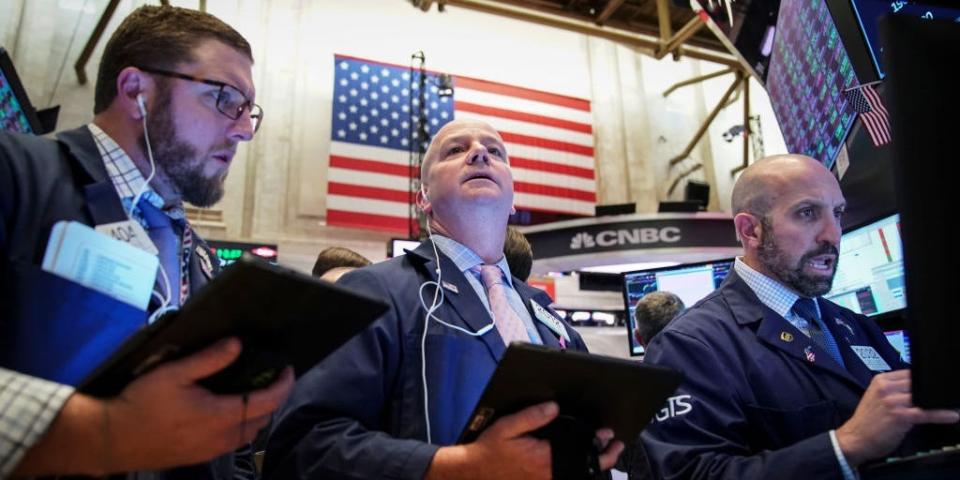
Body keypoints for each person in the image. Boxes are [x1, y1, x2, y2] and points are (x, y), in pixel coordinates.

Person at [0, 6, 293, 477]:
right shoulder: (16, 171)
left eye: (247, 111)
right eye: (225, 99)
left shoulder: (200, 258)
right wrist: (101, 433)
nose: (243, 130)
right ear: (136, 89)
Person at [263, 119, 623, 479]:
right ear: (424, 198)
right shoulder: (373, 291)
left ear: (513, 200)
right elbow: (301, 446)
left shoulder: (548, 318)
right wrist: (462, 468)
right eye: (455, 150)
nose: (480, 153)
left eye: (495, 152)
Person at [641, 154, 960, 480]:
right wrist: (846, 445)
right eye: (807, 214)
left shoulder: (853, 325)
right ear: (750, 230)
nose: (832, 234)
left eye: (837, 213)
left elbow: (925, 421)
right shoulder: (689, 345)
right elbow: (693, 475)